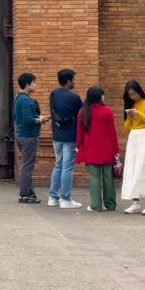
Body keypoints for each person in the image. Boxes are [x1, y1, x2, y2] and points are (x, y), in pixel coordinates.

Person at [75, 86, 119, 212]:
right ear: (98, 97)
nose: (103, 97)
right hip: (107, 150)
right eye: (102, 95)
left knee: (94, 179)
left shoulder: (83, 111)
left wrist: (78, 146)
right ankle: (110, 204)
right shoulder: (107, 111)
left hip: (90, 149)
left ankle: (96, 205)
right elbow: (112, 132)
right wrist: (116, 149)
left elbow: (79, 132)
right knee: (109, 179)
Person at [120, 80, 145, 216]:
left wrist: (139, 114)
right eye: (130, 95)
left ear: (139, 91)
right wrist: (129, 117)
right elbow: (126, 128)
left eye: (134, 93)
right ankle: (135, 202)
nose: (132, 97)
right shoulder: (131, 104)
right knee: (133, 168)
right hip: (133, 138)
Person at [48, 69, 84, 209]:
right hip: (70, 136)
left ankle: (53, 197)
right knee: (68, 167)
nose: (75, 82)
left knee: (58, 165)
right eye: (74, 79)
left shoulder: (53, 94)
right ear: (68, 82)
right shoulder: (74, 98)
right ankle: (66, 199)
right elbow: (82, 113)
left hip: (56, 135)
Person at [13, 72, 50, 203]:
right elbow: (28, 119)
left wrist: (39, 118)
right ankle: (24, 194)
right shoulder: (25, 100)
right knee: (27, 166)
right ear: (27, 85)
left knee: (27, 165)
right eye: (34, 82)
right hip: (28, 136)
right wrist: (40, 120)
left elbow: (19, 117)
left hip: (22, 135)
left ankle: (29, 192)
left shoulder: (18, 98)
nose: (35, 85)